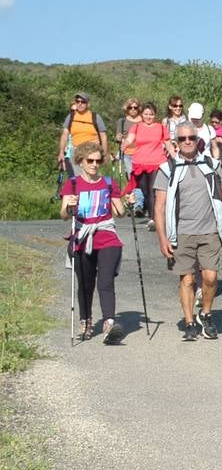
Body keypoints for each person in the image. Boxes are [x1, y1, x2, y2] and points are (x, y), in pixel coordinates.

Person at [154, 123, 222, 341]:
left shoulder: (212, 165)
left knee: (210, 277)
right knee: (188, 279)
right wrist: (162, 238)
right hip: (181, 233)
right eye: (182, 139)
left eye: (191, 137)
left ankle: (206, 314)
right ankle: (190, 322)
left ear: (198, 139)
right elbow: (159, 207)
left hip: (210, 230)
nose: (188, 141)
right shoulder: (167, 169)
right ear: (176, 142)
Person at [60, 141, 130, 344]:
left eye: (98, 160)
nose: (94, 164)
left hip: (106, 235)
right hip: (82, 236)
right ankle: (85, 320)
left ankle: (109, 323)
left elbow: (120, 212)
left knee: (106, 281)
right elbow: (64, 215)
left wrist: (127, 204)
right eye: (90, 160)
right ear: (81, 161)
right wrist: (69, 206)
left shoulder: (109, 183)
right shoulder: (72, 184)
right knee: (85, 283)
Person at [122, 101, 169, 217]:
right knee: (144, 191)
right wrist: (125, 143)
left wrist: (176, 157)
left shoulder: (161, 128)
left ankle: (153, 218)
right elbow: (130, 138)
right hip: (140, 163)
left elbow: (168, 144)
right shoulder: (136, 127)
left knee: (153, 190)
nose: (148, 117)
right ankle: (151, 212)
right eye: (146, 114)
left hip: (157, 163)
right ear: (142, 114)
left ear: (155, 115)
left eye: (151, 114)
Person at [57, 93, 108, 178]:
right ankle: (81, 191)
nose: (80, 104)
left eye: (83, 101)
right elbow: (64, 135)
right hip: (76, 151)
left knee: (92, 176)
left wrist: (105, 154)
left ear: (88, 104)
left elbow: (104, 136)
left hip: (92, 151)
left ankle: (94, 190)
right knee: (79, 178)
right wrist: (61, 152)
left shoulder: (95, 117)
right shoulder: (71, 117)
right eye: (77, 101)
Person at [114, 99, 141, 177]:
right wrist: (118, 137)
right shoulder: (122, 121)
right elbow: (118, 135)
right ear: (127, 108)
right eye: (130, 107)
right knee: (131, 176)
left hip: (141, 153)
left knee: (141, 176)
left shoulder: (143, 120)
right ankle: (134, 189)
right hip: (127, 153)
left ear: (138, 108)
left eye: (135, 107)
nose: (133, 109)